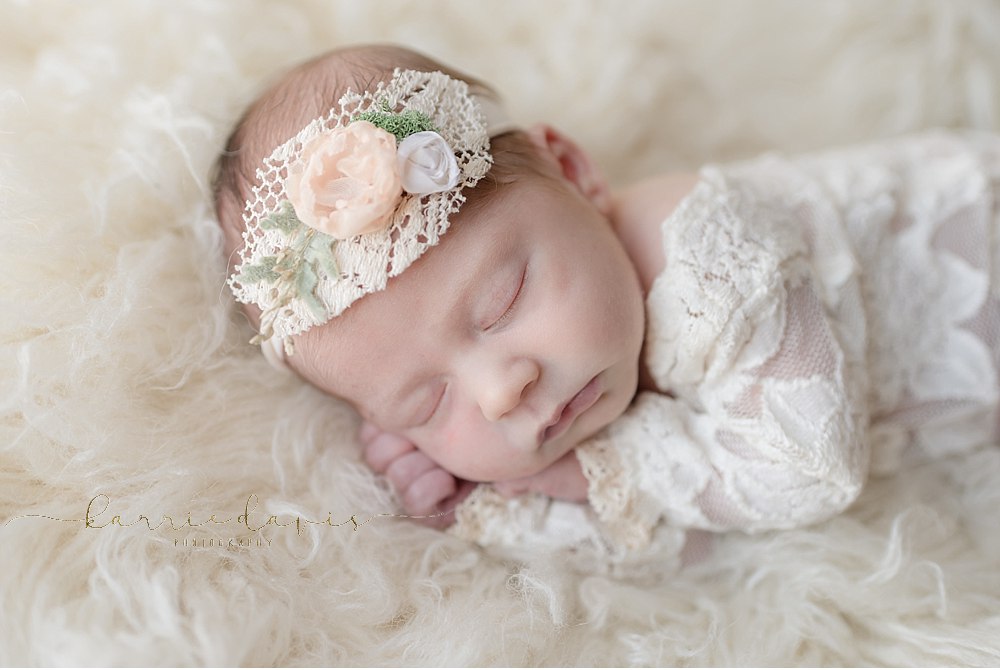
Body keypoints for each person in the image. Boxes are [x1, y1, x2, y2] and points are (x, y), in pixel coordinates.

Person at [214, 44, 1000, 559]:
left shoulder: (707, 248)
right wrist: (468, 501)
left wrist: (588, 475)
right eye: (425, 402)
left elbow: (808, 472)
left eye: (501, 300)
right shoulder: (567, 401)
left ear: (576, 171)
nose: (500, 390)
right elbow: (668, 534)